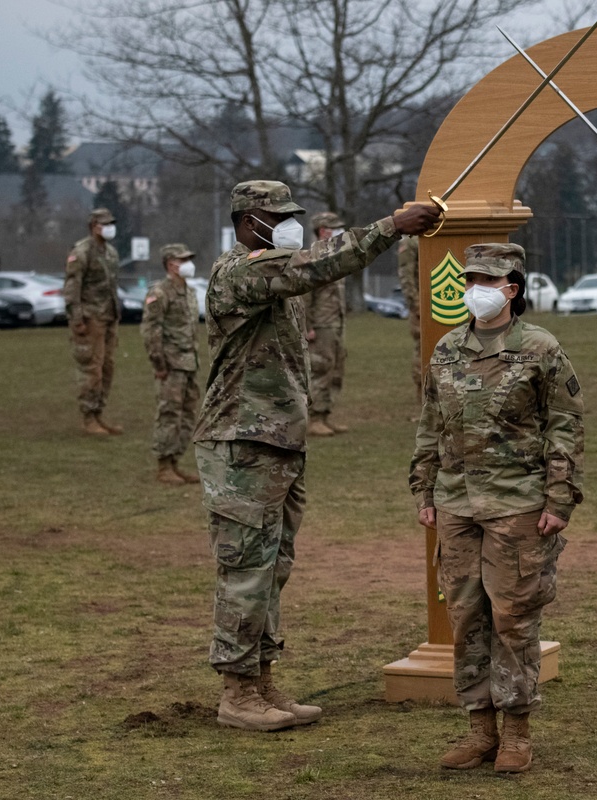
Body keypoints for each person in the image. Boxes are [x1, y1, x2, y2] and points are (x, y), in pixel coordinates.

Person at [194, 180, 441, 732]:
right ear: (246, 219)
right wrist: (390, 227)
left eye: (290, 214)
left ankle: (261, 679)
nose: (286, 223)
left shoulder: (270, 279)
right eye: (275, 215)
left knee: (272, 567)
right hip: (241, 444)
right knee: (246, 569)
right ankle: (237, 693)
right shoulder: (241, 271)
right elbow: (315, 266)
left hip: (276, 442)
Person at [409, 243, 584, 773]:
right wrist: (424, 488)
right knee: (465, 617)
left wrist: (559, 498)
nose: (474, 290)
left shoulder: (541, 348)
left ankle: (516, 733)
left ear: (512, 288)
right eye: (470, 279)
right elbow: (429, 423)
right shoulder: (446, 349)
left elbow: (565, 427)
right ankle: (479, 729)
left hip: (519, 504)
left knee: (513, 618)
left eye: (487, 280)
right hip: (458, 502)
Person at [140, 243, 201, 486]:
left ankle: (175, 461)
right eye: (182, 259)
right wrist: (159, 364)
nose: (188, 263)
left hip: (189, 363)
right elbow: (151, 331)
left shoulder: (189, 291)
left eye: (189, 258)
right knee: (169, 414)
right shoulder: (160, 292)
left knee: (187, 415)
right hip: (171, 364)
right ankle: (163, 465)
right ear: (170, 264)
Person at [63, 207, 124, 436]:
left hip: (109, 317)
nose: (109, 228)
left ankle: (99, 413)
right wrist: (76, 319)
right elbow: (72, 288)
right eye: (104, 224)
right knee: (92, 368)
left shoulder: (110, 252)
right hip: (90, 318)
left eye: (111, 223)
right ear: (93, 226)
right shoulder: (81, 252)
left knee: (107, 367)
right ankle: (88, 417)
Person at [303, 211, 349, 437]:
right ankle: (314, 418)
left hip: (334, 322)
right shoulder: (314, 257)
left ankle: (325, 414)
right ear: (323, 231)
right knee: (320, 369)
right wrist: (307, 326)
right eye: (335, 228)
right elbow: (305, 296)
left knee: (335, 368)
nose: (341, 232)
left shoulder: (334, 255)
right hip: (320, 325)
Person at [396, 234, 421, 403]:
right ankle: (424, 398)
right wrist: (416, 304)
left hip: (445, 303)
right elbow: (406, 275)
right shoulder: (412, 241)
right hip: (423, 305)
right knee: (424, 348)